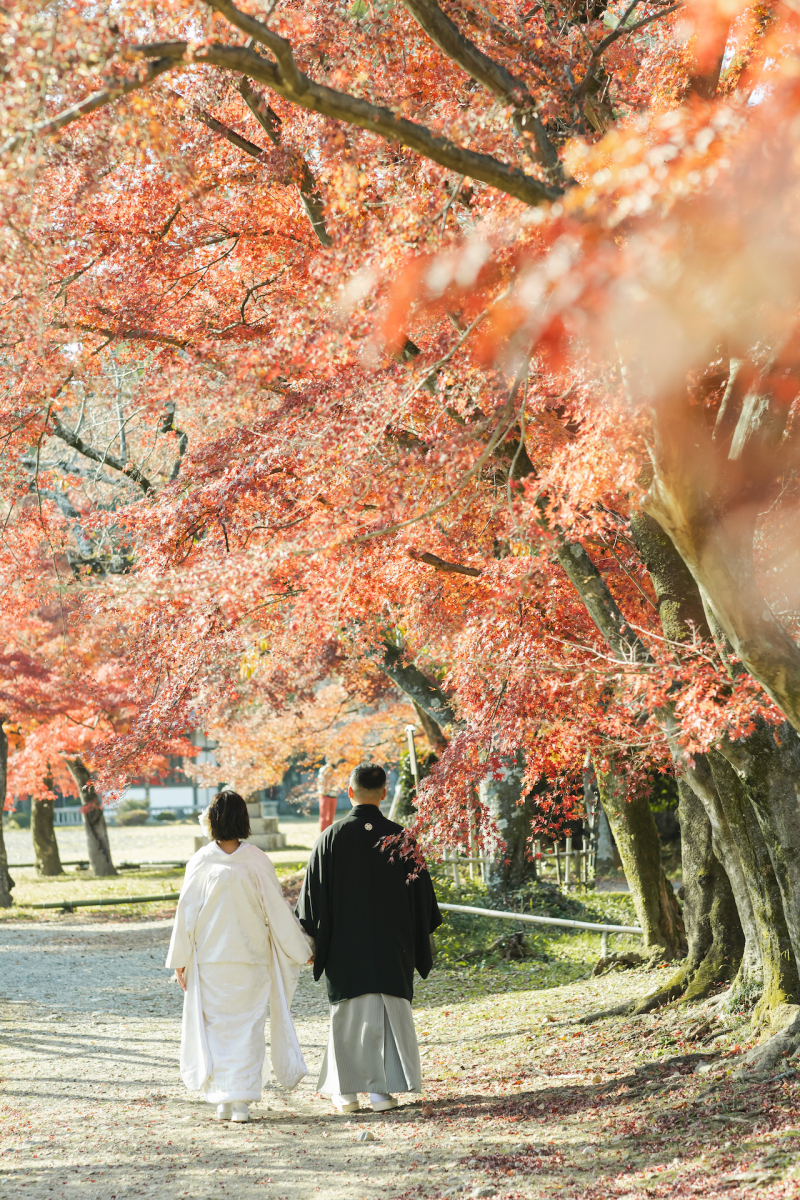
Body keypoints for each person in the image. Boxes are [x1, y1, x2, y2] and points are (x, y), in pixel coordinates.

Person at [296, 762, 441, 1114]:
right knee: (388, 1014)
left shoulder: (330, 838)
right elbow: (423, 903)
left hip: (346, 947)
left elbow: (311, 901)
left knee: (346, 1016)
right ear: (384, 793)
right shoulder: (402, 838)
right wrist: (416, 940)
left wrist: (314, 940)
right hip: (393, 946)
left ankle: (345, 1094)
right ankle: (382, 1093)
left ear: (349, 792)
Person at [166, 790, 313, 1122]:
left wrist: (181, 958)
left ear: (211, 821)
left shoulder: (202, 861)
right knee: (247, 1027)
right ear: (243, 820)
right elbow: (276, 911)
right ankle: (241, 1101)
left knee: (217, 1027)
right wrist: (300, 949)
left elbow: (185, 915)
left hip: (211, 959)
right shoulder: (256, 859)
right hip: (250, 955)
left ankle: (222, 1097)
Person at [317, 759, 338, 832]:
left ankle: (329, 832)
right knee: (324, 816)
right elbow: (321, 781)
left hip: (334, 795)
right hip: (325, 795)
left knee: (331, 817)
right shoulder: (324, 769)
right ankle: (323, 833)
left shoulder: (336, 770)